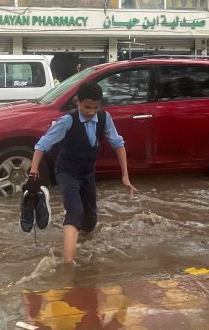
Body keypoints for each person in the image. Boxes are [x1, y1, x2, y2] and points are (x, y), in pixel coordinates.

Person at [29, 82, 138, 265]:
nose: (92, 112)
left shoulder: (104, 118)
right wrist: (33, 172)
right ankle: (68, 264)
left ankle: (78, 241)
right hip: (67, 172)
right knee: (75, 211)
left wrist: (125, 176)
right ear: (77, 102)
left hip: (87, 173)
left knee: (90, 220)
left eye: (96, 107)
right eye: (87, 107)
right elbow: (41, 146)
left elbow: (118, 144)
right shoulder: (67, 121)